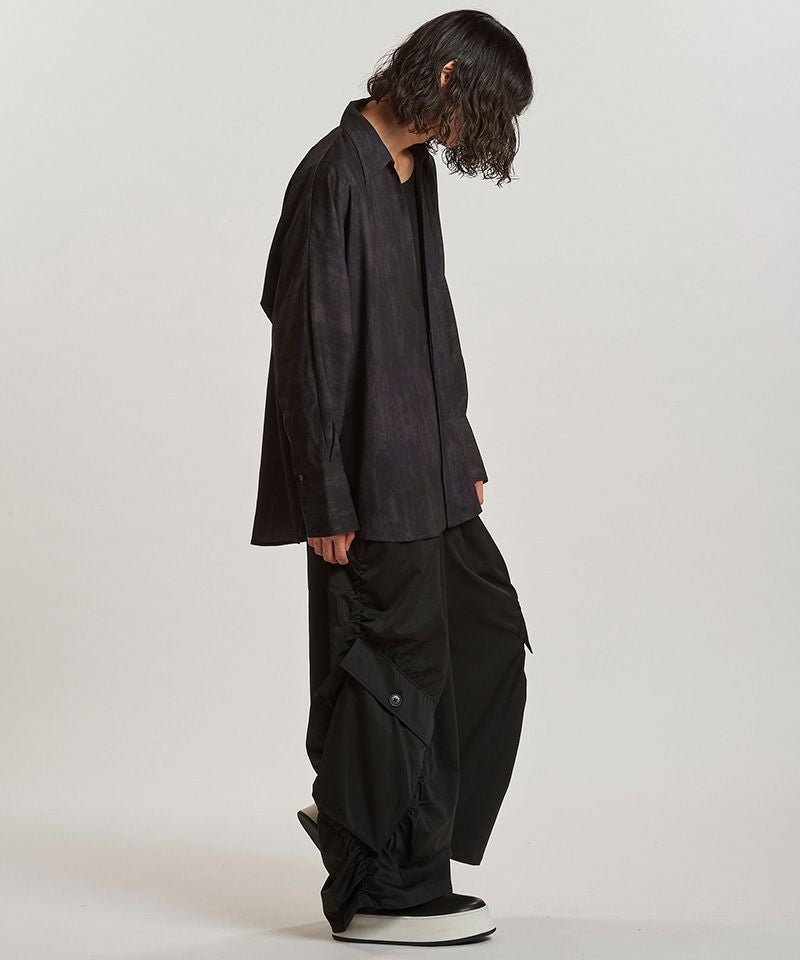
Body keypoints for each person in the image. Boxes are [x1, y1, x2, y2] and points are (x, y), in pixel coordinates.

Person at [250, 10, 535, 946]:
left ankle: (373, 824)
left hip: (431, 469)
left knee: (483, 639)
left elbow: (430, 321)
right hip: (366, 484)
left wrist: (462, 449)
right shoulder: (333, 174)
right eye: (478, 107)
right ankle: (380, 886)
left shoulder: (414, 174)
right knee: (392, 675)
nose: (474, 133)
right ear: (446, 76)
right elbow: (305, 346)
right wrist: (324, 495)